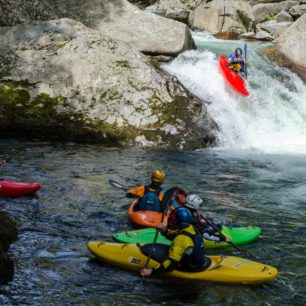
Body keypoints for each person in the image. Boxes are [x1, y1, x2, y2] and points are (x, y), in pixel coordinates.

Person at [140, 207, 231, 277]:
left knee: (169, 259)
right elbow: (175, 235)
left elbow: (170, 265)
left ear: (176, 221)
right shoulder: (191, 228)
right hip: (201, 260)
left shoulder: (180, 239)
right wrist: (164, 230)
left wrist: (151, 271)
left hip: (191, 267)